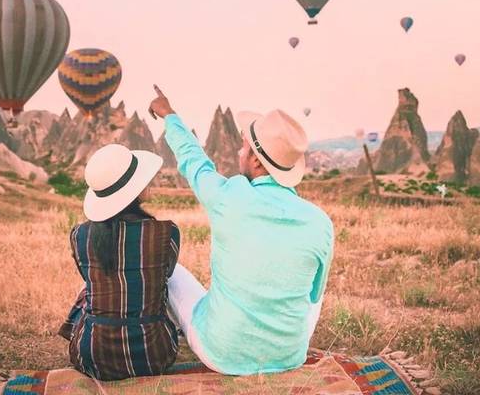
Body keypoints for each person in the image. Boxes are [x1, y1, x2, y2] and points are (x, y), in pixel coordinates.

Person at [148, 85, 334, 375]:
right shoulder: (320, 222)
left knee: (171, 273)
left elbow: (194, 162)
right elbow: (313, 296)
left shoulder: (229, 196)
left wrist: (169, 114)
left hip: (221, 353)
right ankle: (277, 343)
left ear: (257, 161)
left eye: (244, 146)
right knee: (315, 291)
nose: (239, 150)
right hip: (289, 356)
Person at [59, 143, 181, 381]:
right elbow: (166, 275)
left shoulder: (79, 236)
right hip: (154, 356)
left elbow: (87, 279)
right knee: (170, 281)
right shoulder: (168, 233)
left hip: (93, 356)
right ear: (135, 190)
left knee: (90, 289)